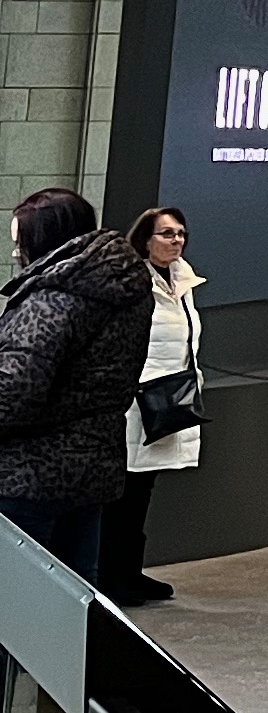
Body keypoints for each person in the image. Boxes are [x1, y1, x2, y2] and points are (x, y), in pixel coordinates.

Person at [0, 190, 162, 584]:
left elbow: (13, 394)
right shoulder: (124, 286)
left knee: (18, 598)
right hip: (94, 469)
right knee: (74, 595)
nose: (18, 252)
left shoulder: (53, 298)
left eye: (22, 241)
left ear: (46, 240)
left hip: (29, 476)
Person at [109, 206, 203, 609]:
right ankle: (114, 577)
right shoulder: (133, 282)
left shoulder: (183, 280)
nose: (176, 240)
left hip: (169, 398)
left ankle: (131, 572)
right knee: (126, 495)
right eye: (167, 233)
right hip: (137, 402)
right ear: (145, 240)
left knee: (142, 491)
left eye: (180, 233)